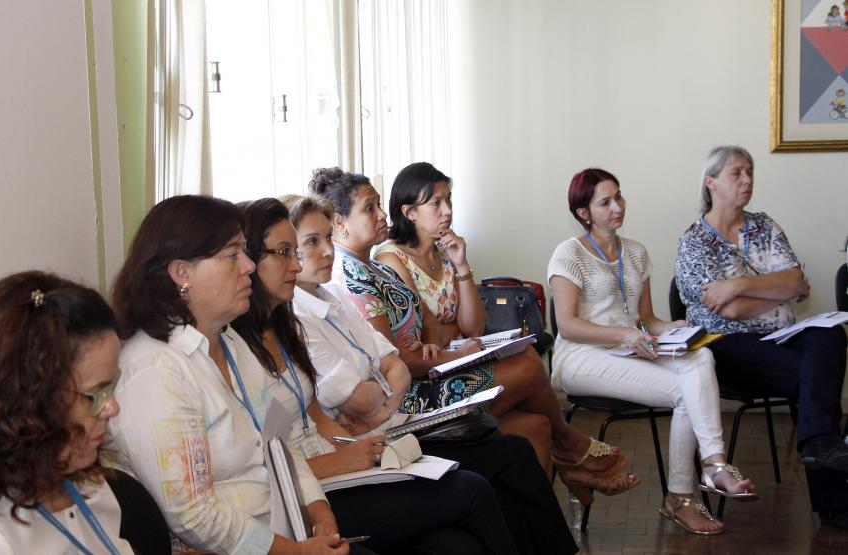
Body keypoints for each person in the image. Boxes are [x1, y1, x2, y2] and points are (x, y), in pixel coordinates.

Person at [310, 167, 637, 505]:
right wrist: (460, 353)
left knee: (536, 427)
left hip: (420, 378)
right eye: (370, 208)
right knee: (526, 366)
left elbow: (448, 331)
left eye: (379, 205)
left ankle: (536, 529)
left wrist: (459, 283)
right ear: (339, 223)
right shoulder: (360, 273)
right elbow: (394, 362)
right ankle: (572, 447)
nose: (382, 215)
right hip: (408, 403)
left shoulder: (373, 269)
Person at [282, 193, 579, 554]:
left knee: (517, 443)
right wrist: (385, 387)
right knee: (519, 403)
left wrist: (382, 395)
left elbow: (395, 359)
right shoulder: (312, 306)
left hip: (395, 416)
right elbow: (361, 395)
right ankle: (572, 450)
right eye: (312, 242)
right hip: (384, 432)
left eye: (328, 238)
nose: (328, 250)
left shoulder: (336, 294)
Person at [232, 197, 519, 554]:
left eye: (298, 249)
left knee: (457, 543)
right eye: (287, 251)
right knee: (474, 487)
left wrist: (357, 448)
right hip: (307, 491)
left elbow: (325, 410)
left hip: (341, 462)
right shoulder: (241, 344)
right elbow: (263, 465)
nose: (299, 262)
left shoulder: (284, 325)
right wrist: (347, 455)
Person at [104, 195, 349, 555]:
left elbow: (280, 443)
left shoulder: (230, 340)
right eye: (232, 255)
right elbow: (193, 516)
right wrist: (292, 551)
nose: (249, 265)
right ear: (181, 273)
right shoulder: (157, 371)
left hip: (286, 532)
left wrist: (319, 511)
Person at [549, 168, 758, 536]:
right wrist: (627, 335)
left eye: (619, 196)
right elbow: (567, 325)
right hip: (579, 356)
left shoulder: (636, 253)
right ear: (584, 212)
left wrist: (671, 329)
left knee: (701, 356)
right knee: (683, 393)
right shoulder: (569, 254)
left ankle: (714, 462)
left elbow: (646, 318)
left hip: (629, 348)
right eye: (605, 201)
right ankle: (681, 497)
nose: (617, 206)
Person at [675, 145, 848, 528]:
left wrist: (737, 284)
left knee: (831, 335)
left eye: (750, 171)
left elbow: (795, 280)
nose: (747, 180)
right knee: (817, 381)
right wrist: (778, 289)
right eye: (736, 173)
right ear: (711, 182)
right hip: (726, 345)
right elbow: (731, 312)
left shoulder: (764, 226)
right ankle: (833, 494)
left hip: (783, 337)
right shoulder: (694, 242)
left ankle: (820, 445)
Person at [0, 271, 134, 553]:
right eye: (94, 394)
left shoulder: (78, 474)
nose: (112, 407)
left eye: (110, 387)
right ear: (28, 401)